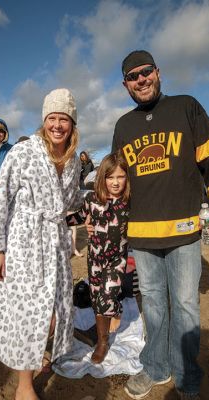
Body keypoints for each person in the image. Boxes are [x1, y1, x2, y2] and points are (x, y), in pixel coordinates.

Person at [111, 50, 209, 399]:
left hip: (183, 232)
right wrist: (107, 214)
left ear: (158, 72)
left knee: (184, 305)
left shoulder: (186, 106)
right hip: (142, 234)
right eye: (133, 77)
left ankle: (186, 374)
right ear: (125, 85)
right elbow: (117, 178)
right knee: (152, 304)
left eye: (146, 71)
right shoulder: (123, 125)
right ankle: (156, 367)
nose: (141, 80)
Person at [0, 88, 83, 400]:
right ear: (44, 120)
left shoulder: (74, 160)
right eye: (52, 118)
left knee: (54, 311)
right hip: (24, 241)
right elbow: (0, 199)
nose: (57, 124)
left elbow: (73, 204)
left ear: (72, 124)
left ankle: (37, 351)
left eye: (63, 119)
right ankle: (24, 386)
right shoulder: (23, 152)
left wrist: (89, 214)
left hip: (55, 242)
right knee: (28, 310)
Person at [67, 151, 130, 364]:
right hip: (94, 258)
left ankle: (102, 343)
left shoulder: (130, 202)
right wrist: (57, 221)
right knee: (97, 299)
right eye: (110, 177)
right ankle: (116, 309)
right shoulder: (93, 199)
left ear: (127, 178)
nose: (115, 182)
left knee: (106, 298)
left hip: (117, 259)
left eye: (120, 177)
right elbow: (78, 217)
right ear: (102, 177)